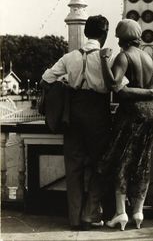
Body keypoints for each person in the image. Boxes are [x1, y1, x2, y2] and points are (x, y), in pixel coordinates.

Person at [41, 15, 121, 230]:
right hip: (98, 114)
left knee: (74, 166)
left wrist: (66, 85)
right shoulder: (108, 58)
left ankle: (75, 218)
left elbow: (46, 79)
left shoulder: (69, 57)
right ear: (104, 34)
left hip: (73, 115)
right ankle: (89, 212)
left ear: (85, 33)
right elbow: (120, 86)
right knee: (102, 164)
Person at [98, 19, 153, 231]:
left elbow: (116, 86)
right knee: (143, 161)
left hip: (131, 115)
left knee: (123, 161)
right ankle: (138, 211)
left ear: (121, 38)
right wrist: (150, 93)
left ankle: (121, 213)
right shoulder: (149, 57)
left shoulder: (124, 56)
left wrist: (103, 61)